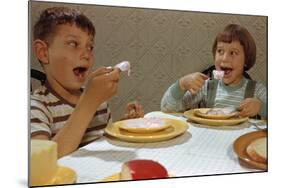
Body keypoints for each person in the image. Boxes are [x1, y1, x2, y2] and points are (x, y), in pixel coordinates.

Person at [31, 7, 144, 158]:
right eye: (73, 44)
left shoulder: (99, 102)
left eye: (90, 47)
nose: (86, 54)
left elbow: (104, 141)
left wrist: (125, 125)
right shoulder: (35, 107)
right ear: (43, 52)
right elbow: (41, 162)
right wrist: (89, 102)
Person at [161, 24, 267, 119]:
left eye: (233, 53)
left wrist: (261, 107)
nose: (224, 58)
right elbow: (167, 108)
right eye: (220, 51)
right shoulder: (207, 88)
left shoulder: (257, 91)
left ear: (246, 59)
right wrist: (181, 84)